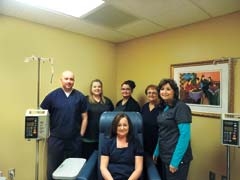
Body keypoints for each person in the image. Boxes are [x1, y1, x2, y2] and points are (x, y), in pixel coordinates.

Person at [40, 70, 88, 180]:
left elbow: (85, 117)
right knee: (53, 167)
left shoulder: (80, 97)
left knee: (74, 167)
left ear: (74, 81)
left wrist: (80, 135)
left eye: (71, 79)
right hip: (56, 139)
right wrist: (47, 134)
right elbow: (43, 114)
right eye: (66, 79)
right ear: (61, 80)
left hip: (74, 139)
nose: (69, 81)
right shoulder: (52, 96)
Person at [153, 78, 193, 180]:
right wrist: (157, 151)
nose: (164, 92)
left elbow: (185, 136)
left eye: (168, 89)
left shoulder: (181, 108)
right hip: (165, 155)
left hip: (176, 158)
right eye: (162, 89)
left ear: (174, 91)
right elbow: (163, 131)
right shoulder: (166, 107)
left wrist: (175, 162)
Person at [100, 113, 144, 180]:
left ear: (129, 126)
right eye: (119, 125)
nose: (122, 128)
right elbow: (103, 168)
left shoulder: (136, 143)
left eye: (125, 125)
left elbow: (138, 169)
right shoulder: (108, 142)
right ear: (115, 127)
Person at [82, 79, 114, 159]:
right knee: (89, 159)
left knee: (102, 159)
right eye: (95, 87)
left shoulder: (107, 101)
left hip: (104, 136)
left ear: (102, 88)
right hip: (89, 137)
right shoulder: (85, 100)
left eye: (99, 87)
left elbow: (112, 118)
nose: (97, 88)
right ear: (91, 88)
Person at [141, 84, 163, 178]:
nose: (151, 95)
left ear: (158, 94)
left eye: (154, 92)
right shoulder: (144, 107)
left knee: (156, 169)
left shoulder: (162, 108)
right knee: (145, 167)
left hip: (157, 144)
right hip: (144, 142)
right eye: (149, 93)